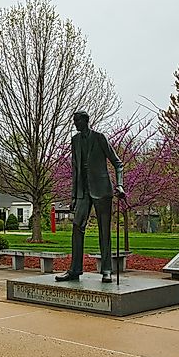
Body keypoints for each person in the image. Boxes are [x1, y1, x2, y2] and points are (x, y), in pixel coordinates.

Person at [55, 111, 124, 282]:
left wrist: (120, 184)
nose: (75, 124)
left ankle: (107, 269)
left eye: (77, 121)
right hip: (83, 192)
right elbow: (75, 170)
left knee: (104, 231)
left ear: (86, 121)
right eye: (74, 121)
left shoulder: (99, 138)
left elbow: (117, 163)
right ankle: (75, 269)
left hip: (102, 190)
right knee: (77, 227)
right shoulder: (75, 141)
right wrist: (73, 196)